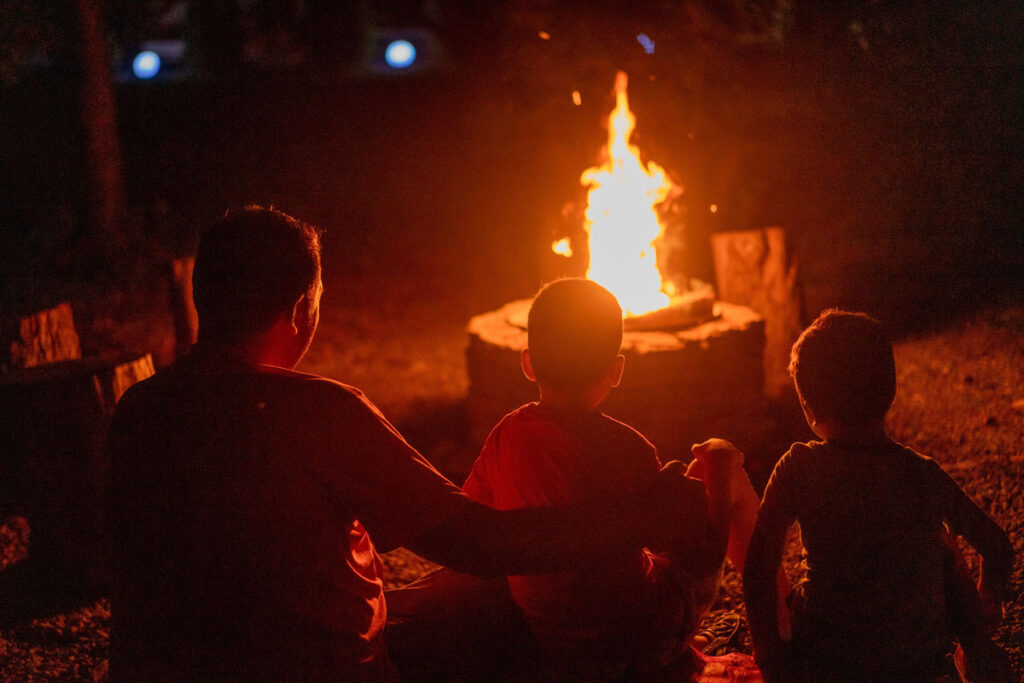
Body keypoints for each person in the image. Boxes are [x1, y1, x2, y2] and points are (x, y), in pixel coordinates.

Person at [104, 207, 710, 682]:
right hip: (319, 672)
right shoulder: (319, 413)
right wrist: (637, 516)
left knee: (430, 603)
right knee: (498, 615)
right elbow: (480, 544)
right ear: (299, 309)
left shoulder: (138, 410)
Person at [455, 278, 765, 677]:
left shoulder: (505, 435)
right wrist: (716, 485)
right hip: (641, 639)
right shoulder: (628, 449)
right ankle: (782, 619)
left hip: (552, 635)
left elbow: (477, 514)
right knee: (719, 462)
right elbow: (691, 545)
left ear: (527, 362)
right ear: (616, 370)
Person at [745, 309, 1015, 682]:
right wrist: (985, 603)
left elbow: (759, 565)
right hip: (914, 662)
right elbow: (998, 548)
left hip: (824, 657)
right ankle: (978, 652)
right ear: (890, 392)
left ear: (808, 407)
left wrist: (770, 655)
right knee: (943, 548)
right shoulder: (922, 474)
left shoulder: (798, 466)